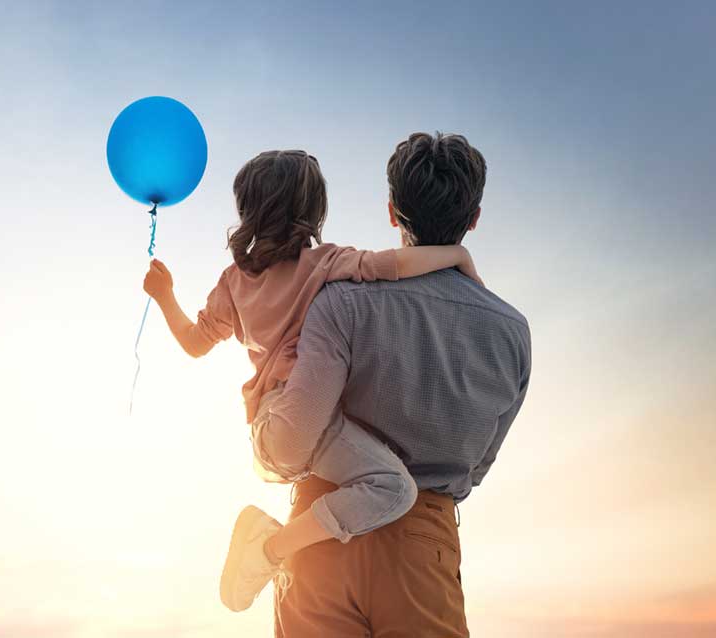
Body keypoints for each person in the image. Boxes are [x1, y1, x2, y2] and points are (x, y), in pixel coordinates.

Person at [141, 149, 484, 612]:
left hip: (269, 426)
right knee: (394, 488)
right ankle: (266, 550)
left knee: (366, 479)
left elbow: (195, 343)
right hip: (302, 423)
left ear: (249, 210)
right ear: (315, 210)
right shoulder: (327, 264)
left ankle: (282, 546)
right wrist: (457, 256)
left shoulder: (233, 282)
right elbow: (394, 266)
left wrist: (165, 297)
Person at [253, 132, 531, 637]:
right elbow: (479, 465)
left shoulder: (340, 301)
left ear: (390, 211)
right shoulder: (512, 332)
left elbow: (295, 444)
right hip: (424, 540)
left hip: (317, 539)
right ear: (473, 219)